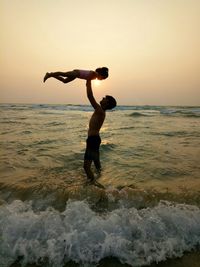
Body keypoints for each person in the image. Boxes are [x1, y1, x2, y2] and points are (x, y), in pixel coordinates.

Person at [83, 80, 116, 182]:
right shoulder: (100, 111)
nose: (102, 98)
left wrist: (88, 82)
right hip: (95, 139)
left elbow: (90, 96)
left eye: (104, 98)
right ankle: (101, 180)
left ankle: (92, 185)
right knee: (97, 163)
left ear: (107, 103)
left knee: (86, 167)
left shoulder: (99, 110)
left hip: (93, 139)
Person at [43, 67, 109, 83]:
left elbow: (88, 78)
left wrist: (88, 81)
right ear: (101, 74)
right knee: (64, 74)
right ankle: (49, 74)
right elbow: (92, 73)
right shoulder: (95, 74)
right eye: (102, 78)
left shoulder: (94, 78)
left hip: (76, 76)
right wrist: (88, 81)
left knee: (64, 81)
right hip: (77, 73)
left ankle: (51, 75)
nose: (101, 80)